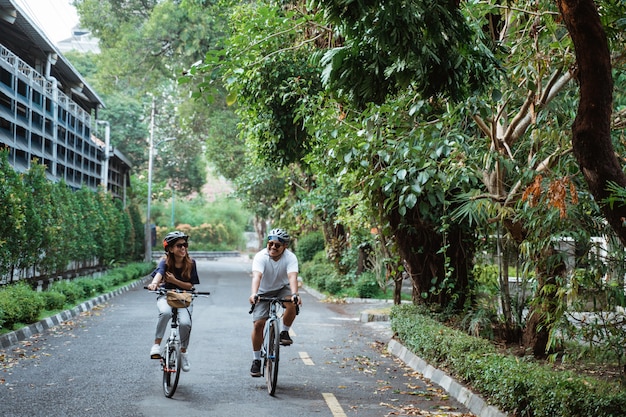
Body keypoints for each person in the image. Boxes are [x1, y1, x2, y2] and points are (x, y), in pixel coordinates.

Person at [248, 228, 301, 377]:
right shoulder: (261, 257)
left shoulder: (290, 257)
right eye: (270, 243)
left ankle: (284, 331)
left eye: (277, 245)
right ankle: (256, 360)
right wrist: (254, 293)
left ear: (285, 246)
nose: (272, 247)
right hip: (263, 290)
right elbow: (257, 276)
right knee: (258, 324)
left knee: (292, 302)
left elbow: (292, 277)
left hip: (282, 288)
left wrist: (295, 294)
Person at [146, 231, 200, 372]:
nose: (183, 248)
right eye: (179, 245)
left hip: (184, 297)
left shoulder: (191, 263)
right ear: (170, 249)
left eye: (185, 245)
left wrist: (174, 281)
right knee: (165, 313)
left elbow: (190, 286)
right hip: (166, 295)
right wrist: (154, 284)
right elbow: (159, 274)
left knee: (185, 323)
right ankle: (156, 345)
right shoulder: (165, 262)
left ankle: (183, 352)